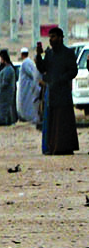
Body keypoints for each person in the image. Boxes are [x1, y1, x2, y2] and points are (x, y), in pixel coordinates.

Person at [43, 26, 78, 155]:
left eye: (53, 37)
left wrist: (61, 79)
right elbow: (43, 69)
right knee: (53, 121)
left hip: (63, 92)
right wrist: (38, 56)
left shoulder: (68, 53)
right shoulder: (49, 54)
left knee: (64, 121)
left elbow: (73, 71)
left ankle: (65, 147)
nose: (51, 40)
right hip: (53, 93)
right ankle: (53, 147)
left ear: (60, 38)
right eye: (50, 37)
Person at [20, 43, 44, 129]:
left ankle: (36, 119)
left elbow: (33, 75)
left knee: (35, 104)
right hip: (34, 87)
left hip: (35, 88)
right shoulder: (29, 62)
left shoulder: (26, 63)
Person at [0, 50, 19, 126]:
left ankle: (3, 121)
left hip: (5, 93)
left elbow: (5, 82)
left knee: (4, 108)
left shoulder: (8, 69)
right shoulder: (6, 68)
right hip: (4, 93)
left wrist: (0, 89)